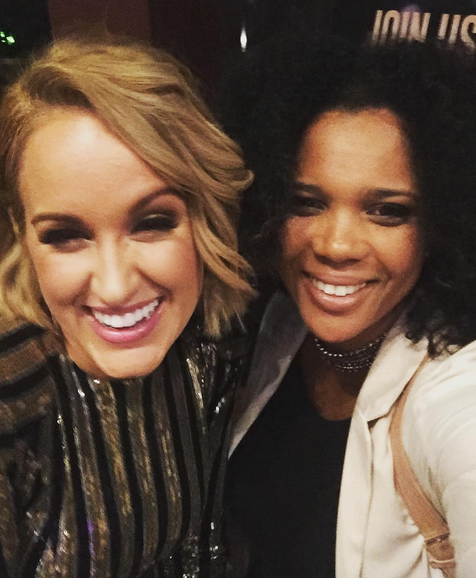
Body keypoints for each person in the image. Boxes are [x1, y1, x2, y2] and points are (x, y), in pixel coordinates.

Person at [0, 35, 254, 578]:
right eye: (65, 235)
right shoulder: (11, 395)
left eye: (152, 223)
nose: (115, 288)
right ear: (22, 234)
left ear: (204, 217)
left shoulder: (215, 344)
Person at [222, 36, 476, 578]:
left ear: (442, 223)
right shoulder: (273, 325)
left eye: (386, 212)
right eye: (306, 203)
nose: (336, 245)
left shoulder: (456, 395)